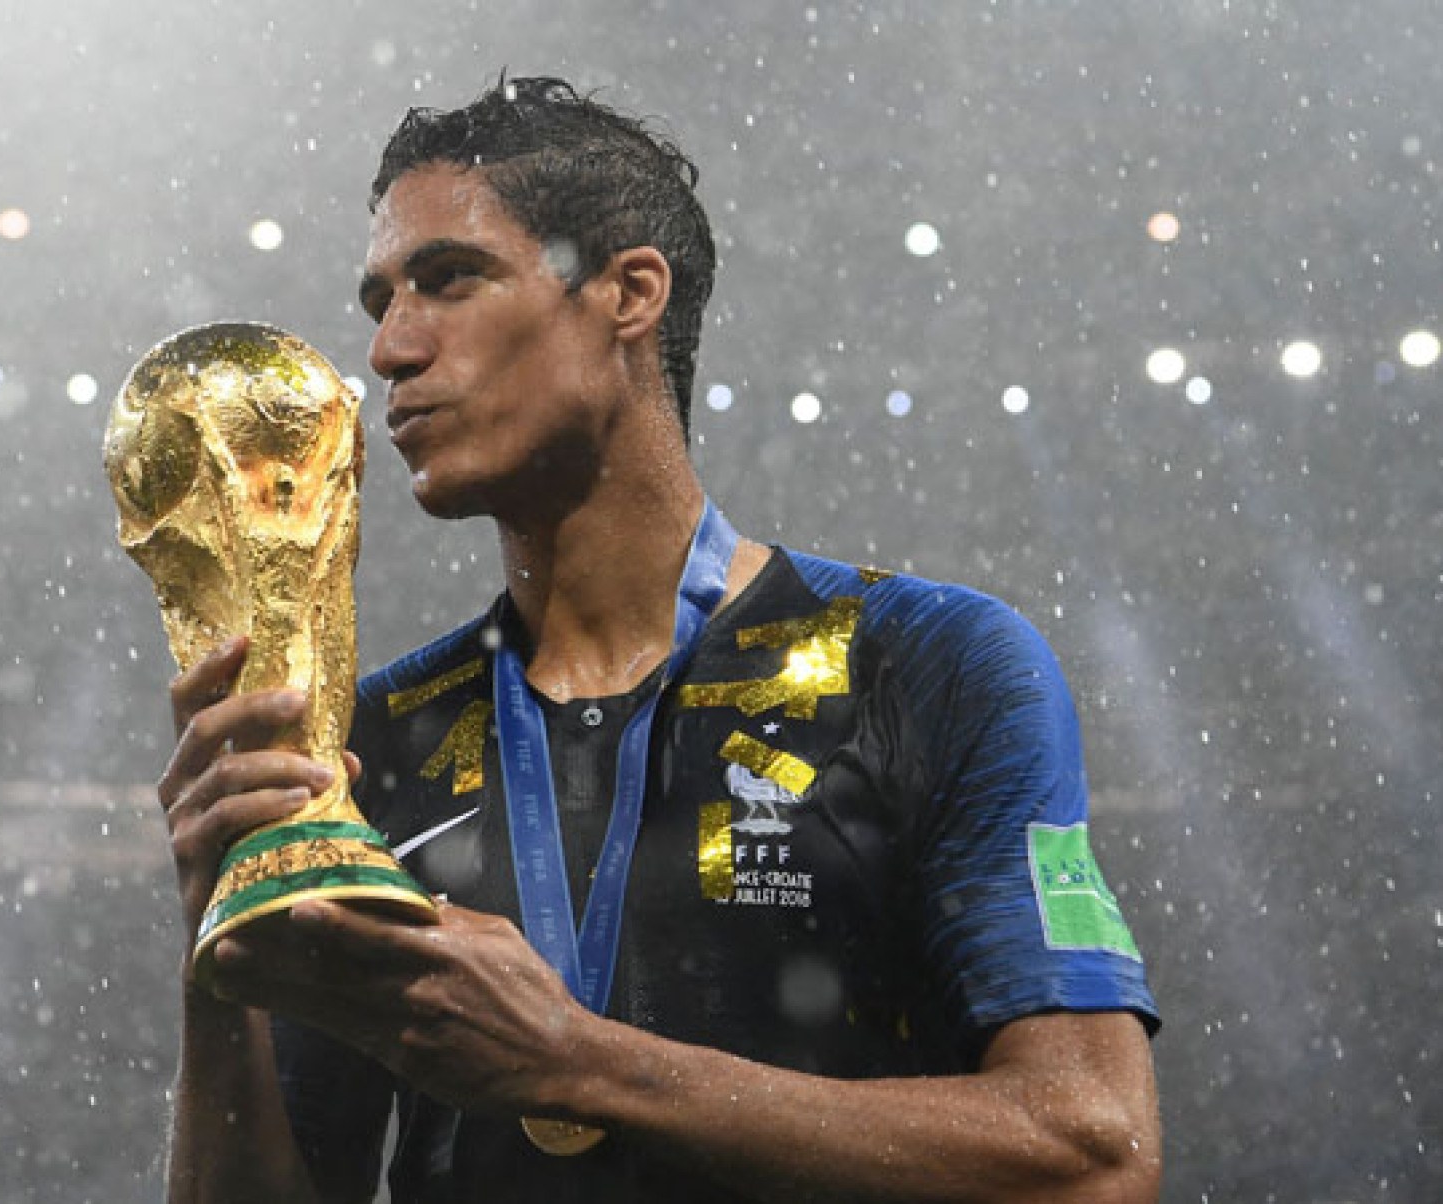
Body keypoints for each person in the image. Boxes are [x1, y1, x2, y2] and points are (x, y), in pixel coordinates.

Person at [156, 76, 1161, 1203]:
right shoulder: (372, 739)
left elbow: (1092, 1152)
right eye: (381, 299)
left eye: (449, 279)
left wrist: (583, 1064)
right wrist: (219, 951)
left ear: (628, 293)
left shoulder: (927, 661)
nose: (389, 350)